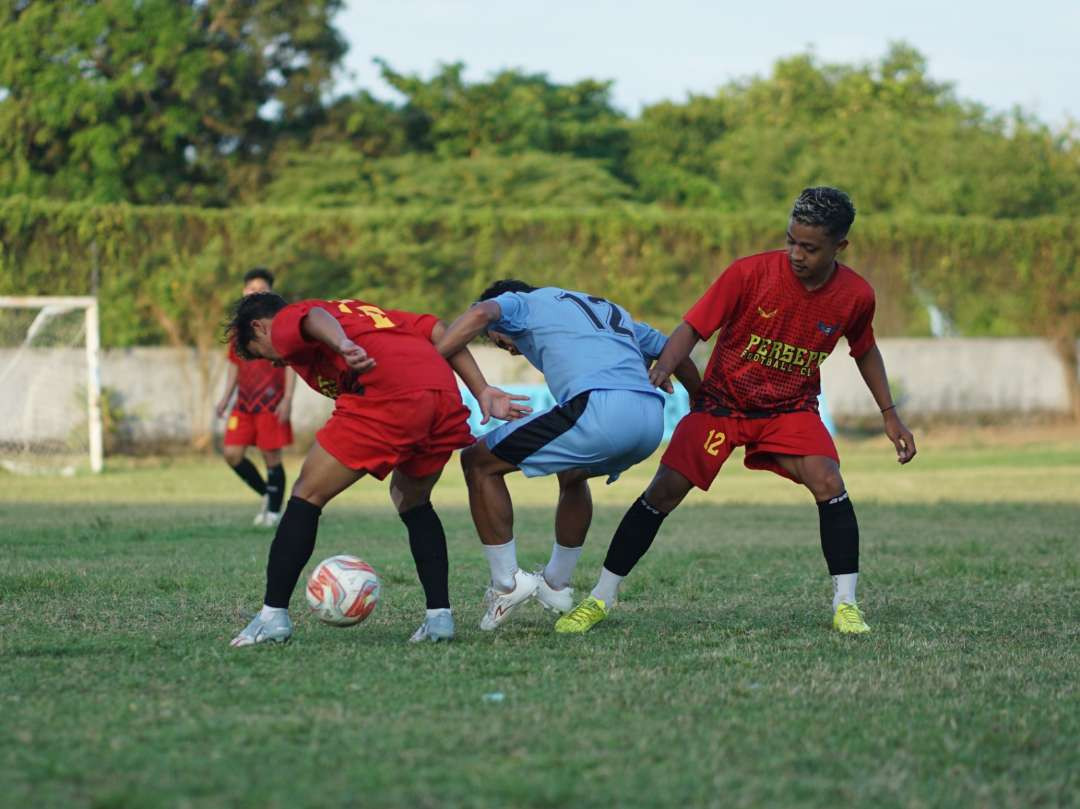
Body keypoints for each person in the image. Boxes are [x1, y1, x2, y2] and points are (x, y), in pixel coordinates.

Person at [558, 187, 917, 635]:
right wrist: (664, 367)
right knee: (663, 492)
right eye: (791, 241)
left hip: (790, 409)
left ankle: (846, 605)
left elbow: (865, 350)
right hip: (722, 405)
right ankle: (600, 598)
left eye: (809, 247)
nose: (796, 254)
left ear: (839, 247)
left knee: (829, 481)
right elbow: (693, 327)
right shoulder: (749, 274)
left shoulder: (856, 296)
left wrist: (889, 413)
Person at [224, 293, 529, 647]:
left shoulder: (292, 319)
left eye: (262, 352)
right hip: (441, 395)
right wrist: (481, 389)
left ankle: (272, 616)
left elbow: (312, 317)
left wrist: (342, 343)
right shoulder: (365, 312)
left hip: (390, 392)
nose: (275, 363)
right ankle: (439, 618)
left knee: (307, 495)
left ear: (259, 327)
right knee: (411, 500)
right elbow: (437, 329)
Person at [435, 281, 700, 631]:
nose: (511, 351)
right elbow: (671, 349)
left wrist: (432, 358)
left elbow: (482, 312)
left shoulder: (520, 303)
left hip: (601, 409)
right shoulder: (604, 308)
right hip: (650, 421)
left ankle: (506, 584)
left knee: (478, 462)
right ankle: (557, 585)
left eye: (500, 342)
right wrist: (701, 407)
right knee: (573, 472)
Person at [215, 268, 296, 527]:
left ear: (270, 292)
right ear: (243, 292)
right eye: (251, 289)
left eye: (260, 289)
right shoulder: (239, 329)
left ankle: (274, 512)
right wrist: (225, 398)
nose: (255, 293)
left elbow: (293, 365)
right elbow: (234, 366)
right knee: (232, 454)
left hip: (271, 403)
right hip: (243, 403)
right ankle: (267, 494)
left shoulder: (280, 326)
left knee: (271, 456)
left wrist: (288, 399)